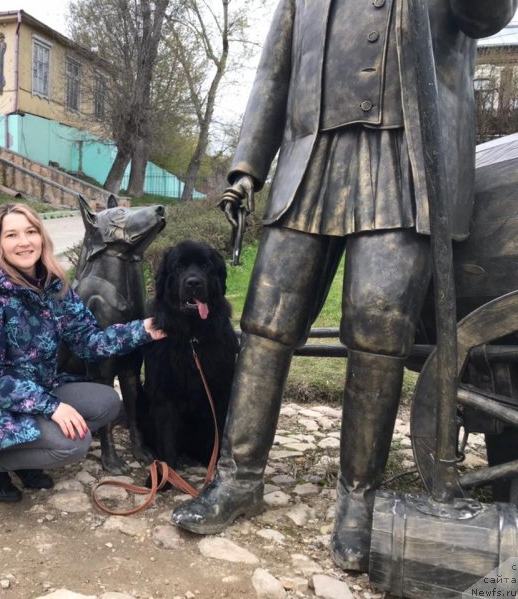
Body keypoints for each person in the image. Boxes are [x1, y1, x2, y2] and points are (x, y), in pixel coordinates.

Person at [170, 0, 517, 573]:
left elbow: (486, 17)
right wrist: (246, 169)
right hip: (309, 160)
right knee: (264, 321)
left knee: (377, 328)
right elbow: (273, 73)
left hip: (406, 161)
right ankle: (239, 477)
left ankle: (358, 499)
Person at [0, 203, 165, 504]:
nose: (24, 242)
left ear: (41, 237)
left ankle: (26, 457)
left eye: (31, 231)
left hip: (39, 387)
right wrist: (52, 407)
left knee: (107, 404)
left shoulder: (54, 288)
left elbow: (88, 340)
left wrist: (143, 330)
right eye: (12, 235)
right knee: (72, 445)